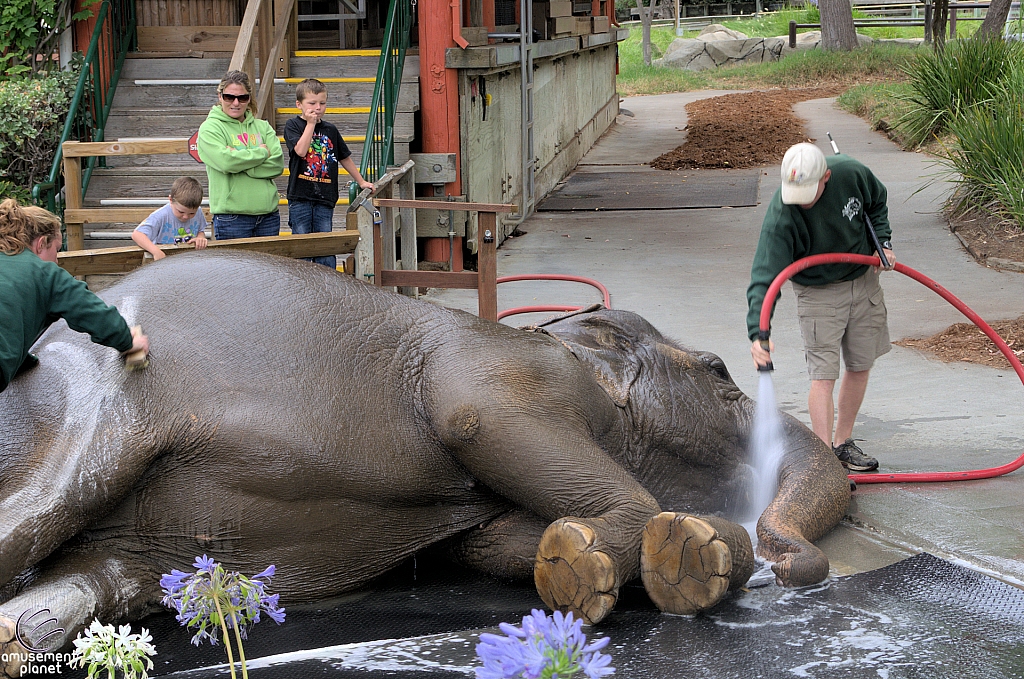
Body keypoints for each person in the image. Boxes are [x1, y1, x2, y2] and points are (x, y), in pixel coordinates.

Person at [747, 142, 895, 472]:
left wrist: (881, 242)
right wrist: (759, 332)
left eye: (808, 192)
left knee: (860, 364)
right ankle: (823, 459)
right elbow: (764, 276)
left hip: (862, 277)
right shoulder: (782, 215)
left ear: (826, 177)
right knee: (823, 374)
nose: (800, 201)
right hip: (817, 291)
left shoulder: (852, 173)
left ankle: (842, 443)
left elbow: (877, 203)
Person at [0, 198, 149, 393]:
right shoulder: (44, 273)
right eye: (57, 249)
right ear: (41, 243)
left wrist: (22, 360)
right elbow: (89, 310)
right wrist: (127, 341)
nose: (56, 259)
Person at [284, 78, 374, 269]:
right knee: (302, 243)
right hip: (300, 195)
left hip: (325, 196)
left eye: (322, 103)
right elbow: (300, 151)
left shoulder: (330, 129)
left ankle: (328, 283)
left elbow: (344, 157)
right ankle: (302, 283)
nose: (318, 108)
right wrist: (310, 124)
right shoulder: (293, 125)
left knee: (325, 242)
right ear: (299, 104)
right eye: (312, 103)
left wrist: (361, 181)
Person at [196, 70, 284, 240]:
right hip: (232, 218)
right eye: (229, 97)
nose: (236, 103)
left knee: (268, 268)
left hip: (269, 217)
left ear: (249, 99)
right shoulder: (209, 128)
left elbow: (277, 164)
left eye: (242, 98)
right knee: (235, 268)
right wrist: (262, 153)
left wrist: (241, 164)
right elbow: (226, 162)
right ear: (220, 96)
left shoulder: (263, 127)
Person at [131, 176, 209, 260]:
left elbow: (200, 230)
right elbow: (137, 234)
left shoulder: (199, 212)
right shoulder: (160, 216)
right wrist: (156, 252)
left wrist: (200, 238)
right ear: (171, 200)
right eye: (181, 212)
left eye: (191, 213)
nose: (186, 216)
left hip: (189, 258)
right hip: (165, 259)